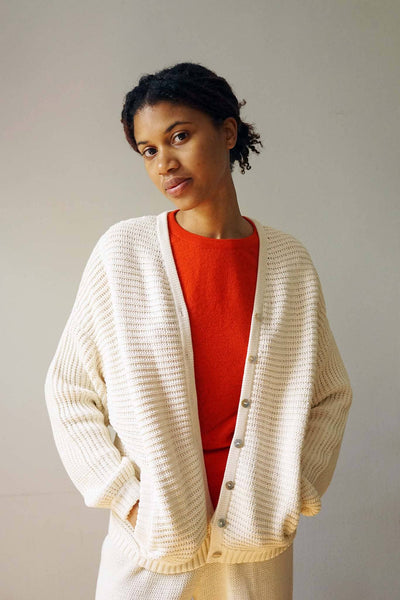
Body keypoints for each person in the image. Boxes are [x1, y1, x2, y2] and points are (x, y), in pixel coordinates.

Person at [44, 62, 353, 600]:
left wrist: (293, 491)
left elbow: (330, 393)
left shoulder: (289, 264)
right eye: (147, 150)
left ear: (227, 132)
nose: (165, 162)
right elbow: (69, 391)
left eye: (179, 136)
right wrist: (132, 502)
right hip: (149, 553)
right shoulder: (124, 254)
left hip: (257, 559)